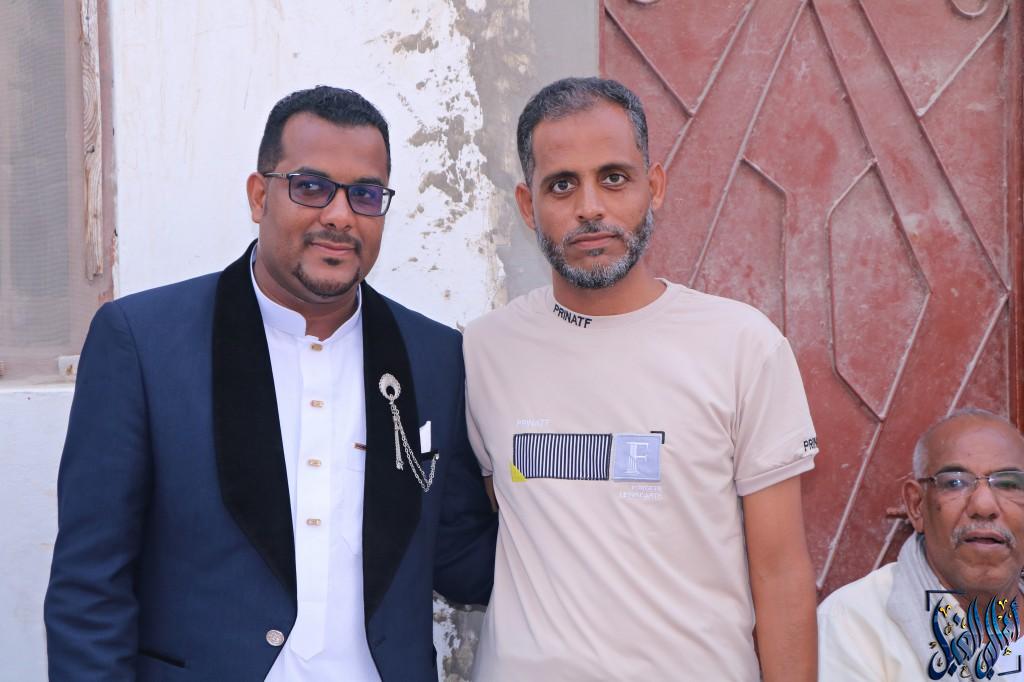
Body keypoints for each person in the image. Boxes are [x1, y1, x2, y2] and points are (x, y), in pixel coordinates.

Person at [44, 86, 497, 681]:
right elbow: (89, 585)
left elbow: (459, 554)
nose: (339, 216)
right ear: (260, 196)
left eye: (364, 195)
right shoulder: (143, 343)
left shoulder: (433, 356)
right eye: (311, 186)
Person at [463, 76, 819, 681]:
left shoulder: (742, 346)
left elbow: (781, 573)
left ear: (654, 187)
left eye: (613, 178)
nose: (590, 207)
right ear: (527, 205)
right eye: (562, 184)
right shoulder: (482, 352)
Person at [818, 409, 1024, 681]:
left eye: (1009, 484)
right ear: (916, 505)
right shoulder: (854, 623)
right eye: (955, 483)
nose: (983, 505)